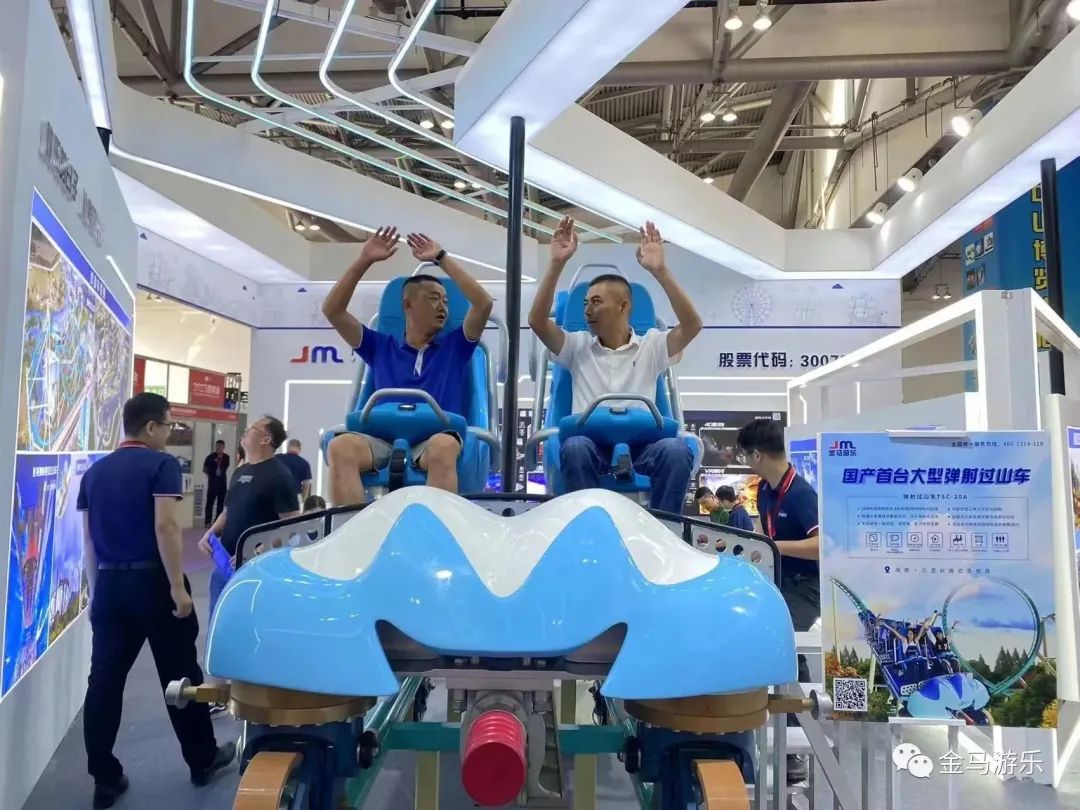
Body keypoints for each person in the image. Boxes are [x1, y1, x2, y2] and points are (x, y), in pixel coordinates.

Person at [78, 393, 234, 808]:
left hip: (110, 586)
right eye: (167, 425)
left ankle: (104, 778)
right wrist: (177, 587)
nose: (168, 433)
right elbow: (165, 527)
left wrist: (96, 592)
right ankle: (202, 759)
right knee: (181, 676)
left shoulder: (94, 472)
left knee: (104, 682)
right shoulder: (161, 465)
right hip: (153, 583)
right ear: (150, 427)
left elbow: (88, 541)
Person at [528, 218, 703, 513]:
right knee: (575, 447)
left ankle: (665, 528)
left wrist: (660, 271)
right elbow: (536, 321)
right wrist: (557, 264)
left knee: (675, 451)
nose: (587, 310)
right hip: (591, 444)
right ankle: (587, 526)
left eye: (596, 302)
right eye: (585, 303)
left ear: (623, 306)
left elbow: (692, 325)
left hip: (643, 447)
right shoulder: (576, 346)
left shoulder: (652, 345)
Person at [322, 226, 494, 504]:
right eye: (433, 299)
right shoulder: (379, 346)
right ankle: (353, 527)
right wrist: (364, 260)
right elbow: (333, 310)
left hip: (433, 440)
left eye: (445, 301)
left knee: (443, 446)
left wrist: (441, 258)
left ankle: (432, 528)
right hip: (383, 440)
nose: (443, 307)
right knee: (340, 447)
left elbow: (483, 304)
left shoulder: (456, 347)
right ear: (408, 305)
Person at [736, 417, 818, 785]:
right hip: (779, 582)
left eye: (744, 455)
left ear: (757, 454)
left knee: (787, 647)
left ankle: (797, 746)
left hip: (806, 588)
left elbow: (821, 546)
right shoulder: (766, 491)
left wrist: (774, 546)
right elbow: (763, 534)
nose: (744, 462)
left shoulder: (800, 494)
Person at [200, 416, 300, 617]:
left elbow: (292, 525)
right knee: (218, 623)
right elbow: (228, 511)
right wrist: (210, 533)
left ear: (265, 439)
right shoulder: (240, 471)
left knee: (245, 622)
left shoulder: (280, 475)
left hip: (255, 569)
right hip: (224, 564)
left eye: (252, 428)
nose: (246, 430)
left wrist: (258, 550)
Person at [201, 439, 229, 528]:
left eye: (220, 447)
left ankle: (217, 522)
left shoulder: (226, 457)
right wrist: (213, 464)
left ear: (223, 447)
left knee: (220, 504)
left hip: (222, 484)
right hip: (212, 483)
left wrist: (219, 461)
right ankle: (207, 522)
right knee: (209, 503)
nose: (218, 448)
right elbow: (205, 469)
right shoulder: (210, 457)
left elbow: (225, 467)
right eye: (217, 447)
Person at [277, 438, 313, 505]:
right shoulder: (304, 463)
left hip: (277, 495)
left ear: (287, 447)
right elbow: (306, 485)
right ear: (300, 449)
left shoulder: (277, 458)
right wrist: (303, 500)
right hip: (295, 497)